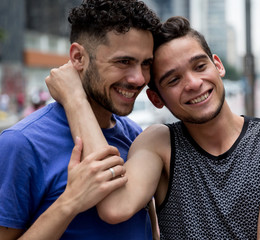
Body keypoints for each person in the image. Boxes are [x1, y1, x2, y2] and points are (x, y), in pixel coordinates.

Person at [46, 16, 260, 239]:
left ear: (218, 65)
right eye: (174, 80)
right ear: (156, 99)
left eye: (200, 66)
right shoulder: (159, 142)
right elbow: (114, 207)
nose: (193, 83)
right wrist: (75, 100)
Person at [0, 0, 160, 239]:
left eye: (146, 63)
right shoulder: (21, 143)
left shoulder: (135, 135)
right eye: (123, 62)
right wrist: (70, 201)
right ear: (78, 57)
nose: (139, 78)